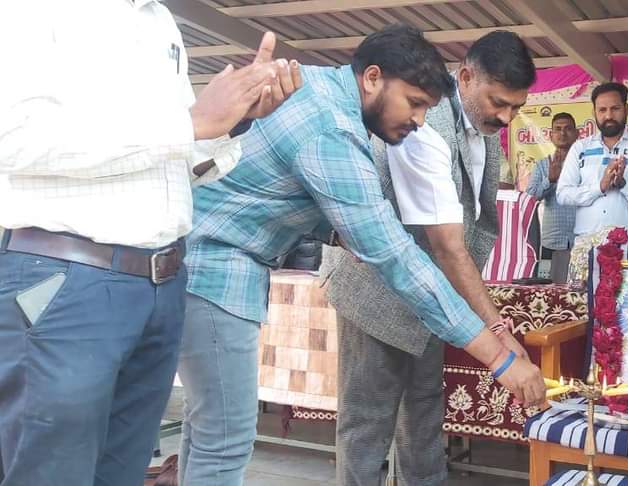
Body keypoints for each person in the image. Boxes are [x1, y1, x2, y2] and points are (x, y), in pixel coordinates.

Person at [179, 25, 544, 485]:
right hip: (223, 264)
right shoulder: (334, 130)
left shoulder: (326, 96)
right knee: (231, 439)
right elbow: (398, 253)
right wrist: (499, 355)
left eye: (426, 108)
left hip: (216, 261)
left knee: (210, 431)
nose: (417, 120)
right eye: (413, 104)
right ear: (372, 78)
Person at [0, 2, 296, 484]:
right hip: (66, 280)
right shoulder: (33, 8)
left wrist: (234, 120)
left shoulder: (158, 19)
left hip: (159, 284)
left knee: (123, 469)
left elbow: (171, 159)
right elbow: (13, 138)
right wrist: (189, 123)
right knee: (49, 470)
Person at [323, 30, 540, 485]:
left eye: (516, 107)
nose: (506, 116)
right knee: (368, 419)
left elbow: (468, 226)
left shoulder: (484, 128)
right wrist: (497, 335)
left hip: (435, 294)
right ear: (465, 76)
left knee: (424, 407)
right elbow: (447, 246)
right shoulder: (424, 126)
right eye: (499, 102)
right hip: (378, 291)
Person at [557, 82, 628, 237]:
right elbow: (563, 195)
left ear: (626, 109)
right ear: (594, 112)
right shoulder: (580, 148)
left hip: (627, 244)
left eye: (615, 108)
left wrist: (624, 185)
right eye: (602, 110)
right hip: (586, 244)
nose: (608, 116)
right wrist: (599, 187)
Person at [525, 112, 579, 273]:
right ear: (551, 135)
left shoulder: (585, 165)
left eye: (568, 129)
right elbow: (530, 198)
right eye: (558, 129)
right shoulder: (543, 165)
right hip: (552, 241)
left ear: (577, 134)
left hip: (581, 240)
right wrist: (550, 180)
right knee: (549, 288)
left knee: (580, 288)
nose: (563, 133)